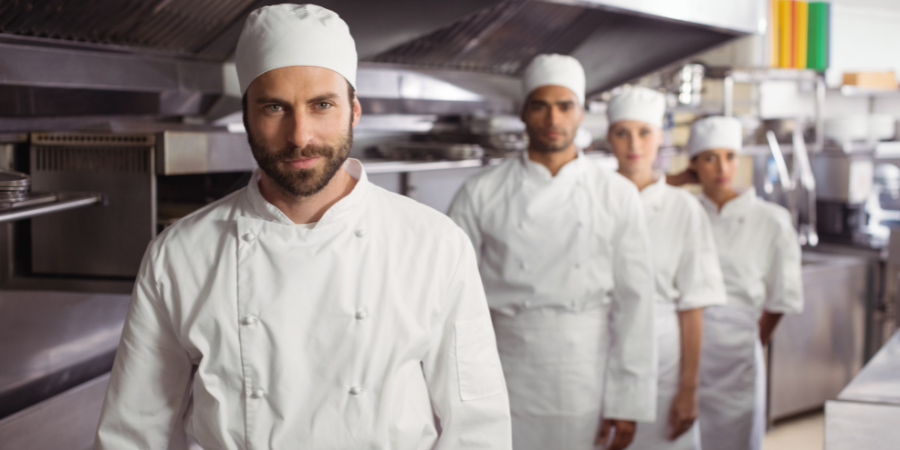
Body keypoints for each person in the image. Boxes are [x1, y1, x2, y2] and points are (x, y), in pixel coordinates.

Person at [93, 4, 512, 449]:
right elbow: (134, 434)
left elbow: (477, 428)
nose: (299, 135)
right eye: (275, 107)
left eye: (322, 105)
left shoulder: (434, 244)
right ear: (246, 115)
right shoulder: (179, 254)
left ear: (354, 111)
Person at [448, 54, 656, 450]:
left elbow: (636, 302)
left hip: (584, 371)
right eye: (540, 106)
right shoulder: (481, 191)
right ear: (524, 112)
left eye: (565, 106)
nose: (553, 118)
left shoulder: (616, 194)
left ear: (581, 113)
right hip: (502, 364)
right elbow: (450, 296)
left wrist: (627, 401)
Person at [670, 116, 804, 450]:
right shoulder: (684, 211)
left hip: (737, 350)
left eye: (730, 156)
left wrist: (751, 340)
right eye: (709, 158)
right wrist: (675, 180)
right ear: (693, 165)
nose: (722, 168)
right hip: (682, 347)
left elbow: (782, 297)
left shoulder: (771, 220)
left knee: (734, 439)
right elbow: (634, 194)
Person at [606, 87, 727, 450]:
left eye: (644, 132)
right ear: (609, 138)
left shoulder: (683, 209)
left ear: (661, 137)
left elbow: (692, 305)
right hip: (602, 356)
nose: (634, 144)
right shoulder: (592, 199)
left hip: (665, 363)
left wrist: (688, 389)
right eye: (623, 132)